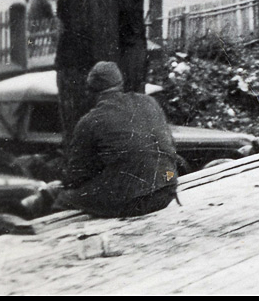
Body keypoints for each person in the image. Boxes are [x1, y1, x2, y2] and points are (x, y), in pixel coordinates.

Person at [44, 61, 179, 218]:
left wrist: (60, 185)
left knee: (63, 199)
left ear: (90, 91)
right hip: (167, 190)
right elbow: (169, 145)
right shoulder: (149, 102)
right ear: (120, 84)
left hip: (134, 201)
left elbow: (76, 176)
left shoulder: (90, 120)